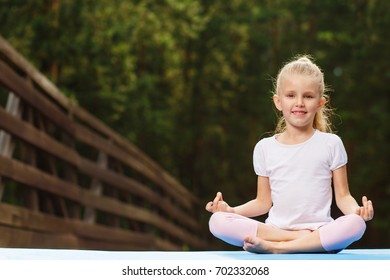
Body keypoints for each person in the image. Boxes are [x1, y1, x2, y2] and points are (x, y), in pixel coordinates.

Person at [205, 55, 374, 254]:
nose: (299, 102)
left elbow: (343, 196)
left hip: (320, 229)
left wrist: (357, 212)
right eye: (291, 95)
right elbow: (263, 202)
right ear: (278, 101)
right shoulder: (265, 148)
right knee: (217, 222)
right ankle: (300, 240)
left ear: (320, 103)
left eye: (308, 96)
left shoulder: (331, 144)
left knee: (356, 225)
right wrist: (231, 211)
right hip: (277, 230)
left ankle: (278, 248)